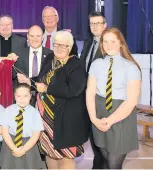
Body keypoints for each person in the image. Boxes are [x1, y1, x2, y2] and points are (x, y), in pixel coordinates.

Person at [86, 27, 141, 169]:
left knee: (114, 165)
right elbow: (90, 93)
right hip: (99, 116)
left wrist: (109, 121)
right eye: (105, 42)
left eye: (112, 41)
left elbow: (131, 101)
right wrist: (94, 119)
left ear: (121, 43)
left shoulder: (131, 68)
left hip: (121, 117)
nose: (108, 45)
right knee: (105, 162)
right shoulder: (96, 64)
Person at [35, 31, 89, 169]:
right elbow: (42, 79)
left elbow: (73, 89)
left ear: (70, 47)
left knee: (66, 155)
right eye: (56, 44)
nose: (59, 48)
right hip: (46, 119)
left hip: (67, 120)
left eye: (63, 46)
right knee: (50, 153)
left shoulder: (76, 64)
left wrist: (47, 89)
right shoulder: (49, 59)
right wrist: (29, 80)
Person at [80, 11, 107, 169]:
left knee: (102, 141)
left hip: (102, 99)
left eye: (98, 23)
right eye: (92, 24)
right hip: (87, 97)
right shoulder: (88, 42)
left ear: (105, 25)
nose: (95, 26)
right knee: (93, 137)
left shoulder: (110, 43)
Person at [0, 83, 45, 169]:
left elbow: (36, 135)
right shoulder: (8, 110)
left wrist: (24, 149)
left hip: (28, 145)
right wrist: (14, 148)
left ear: (30, 96)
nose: (22, 99)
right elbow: (4, 132)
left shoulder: (35, 113)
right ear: (14, 96)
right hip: (11, 144)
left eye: (25, 96)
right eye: (18, 96)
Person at [11, 25, 53, 106]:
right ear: (27, 36)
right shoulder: (18, 53)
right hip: (23, 98)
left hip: (45, 98)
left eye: (38, 36)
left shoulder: (51, 55)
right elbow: (11, 75)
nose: (35, 39)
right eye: (32, 36)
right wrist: (9, 62)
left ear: (43, 37)